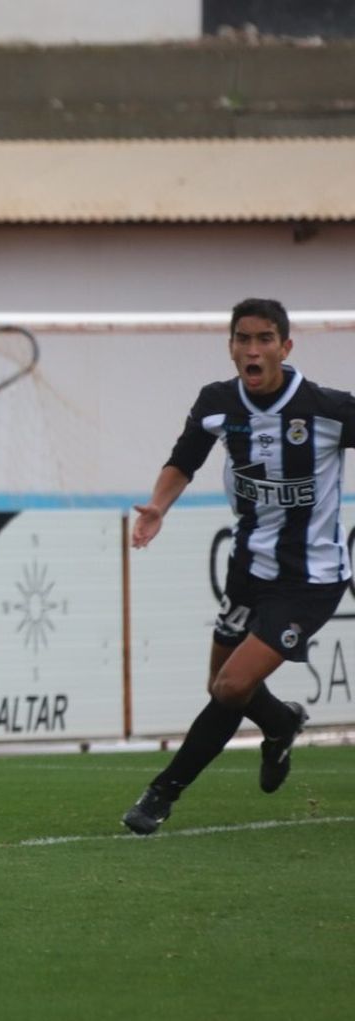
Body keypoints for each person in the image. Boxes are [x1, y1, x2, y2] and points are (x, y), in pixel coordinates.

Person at [122, 298, 351, 835]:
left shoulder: (327, 410)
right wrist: (158, 505)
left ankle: (162, 793)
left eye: (265, 339)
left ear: (285, 347)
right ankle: (280, 721)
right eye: (243, 339)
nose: (253, 349)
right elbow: (185, 459)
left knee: (230, 688)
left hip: (309, 580)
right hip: (247, 569)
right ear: (230, 348)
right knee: (221, 685)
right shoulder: (218, 403)